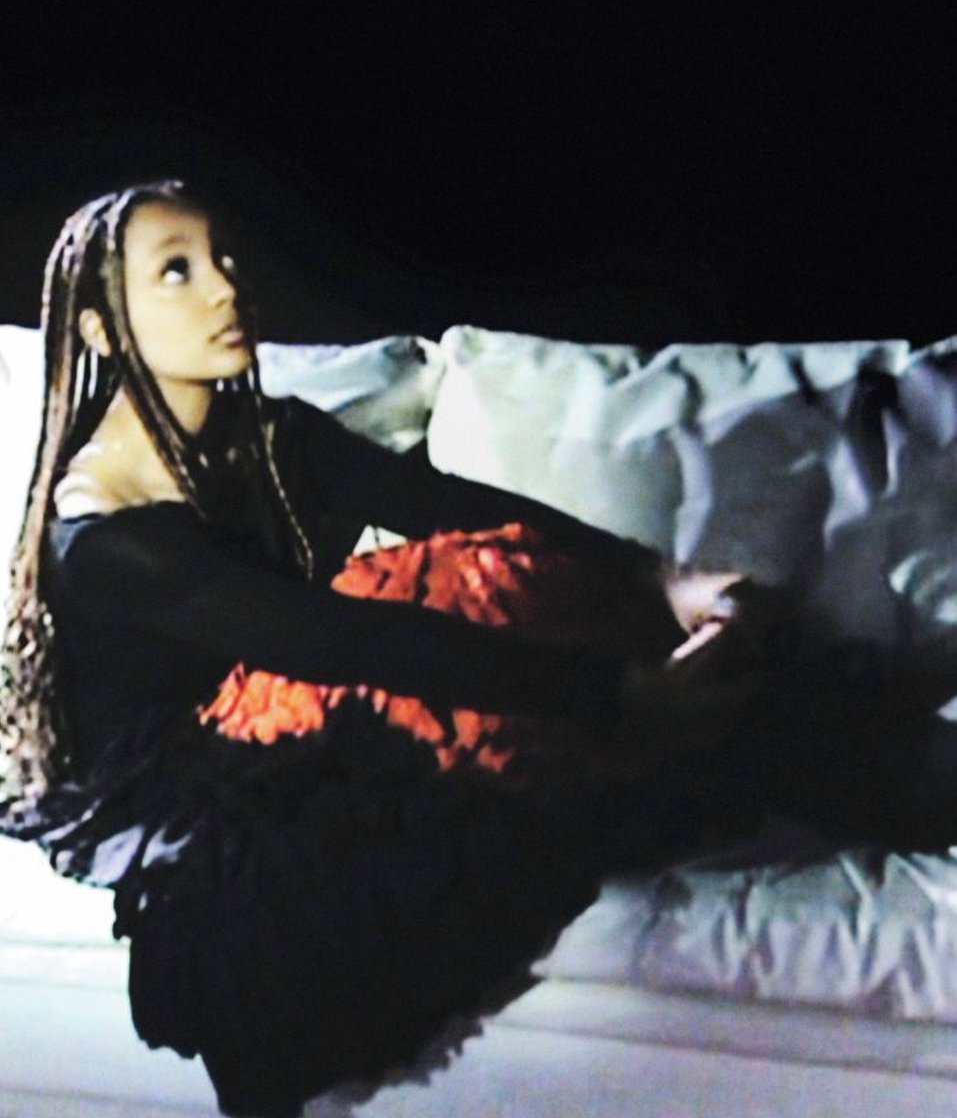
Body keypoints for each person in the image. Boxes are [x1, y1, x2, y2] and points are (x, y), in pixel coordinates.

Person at [0, 181, 783, 1117]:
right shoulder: (106, 532)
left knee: (474, 578)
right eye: (176, 271)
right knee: (445, 782)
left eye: (225, 258)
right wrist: (613, 691)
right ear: (99, 329)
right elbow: (344, 641)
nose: (225, 287)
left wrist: (657, 576)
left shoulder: (266, 438)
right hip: (173, 774)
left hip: (288, 692)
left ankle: (750, 709)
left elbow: (452, 506)